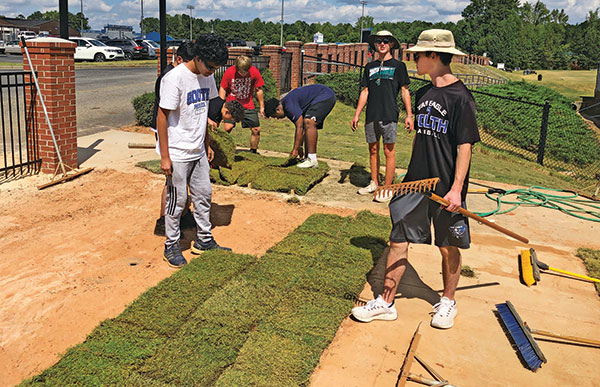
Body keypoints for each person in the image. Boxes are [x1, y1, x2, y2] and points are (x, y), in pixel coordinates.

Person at [351, 29, 480, 329]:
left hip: (447, 187)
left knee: (448, 246)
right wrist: (403, 183)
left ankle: (447, 301)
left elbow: (465, 147)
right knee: (398, 237)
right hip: (415, 183)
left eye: (419, 54)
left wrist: (457, 190)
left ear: (434, 56)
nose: (415, 59)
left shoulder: (461, 98)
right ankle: (386, 302)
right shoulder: (423, 94)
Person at [156, 34, 232, 268]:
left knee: (203, 195)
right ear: (197, 58)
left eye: (216, 69)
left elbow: (204, 115)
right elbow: (162, 117)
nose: (212, 72)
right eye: (210, 66)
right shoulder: (175, 78)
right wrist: (165, 156)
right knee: (176, 201)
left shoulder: (206, 77)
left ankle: (204, 240)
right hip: (177, 152)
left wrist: (207, 144)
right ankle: (171, 245)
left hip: (198, 150)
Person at [351, 30, 413, 203]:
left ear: (391, 44)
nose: (382, 44)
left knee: (389, 151)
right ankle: (374, 182)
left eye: (386, 41)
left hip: (389, 114)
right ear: (375, 45)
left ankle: (387, 187)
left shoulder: (399, 66)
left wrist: (409, 115)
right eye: (379, 41)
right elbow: (365, 91)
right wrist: (357, 114)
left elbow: (405, 91)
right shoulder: (369, 67)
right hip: (372, 114)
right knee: (372, 150)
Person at [153, 41, 196, 236]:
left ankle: (183, 214)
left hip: (179, 135)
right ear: (180, 60)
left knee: (183, 181)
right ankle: (163, 220)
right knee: (171, 182)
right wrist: (165, 154)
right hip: (168, 134)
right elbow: (163, 115)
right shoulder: (169, 77)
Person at [264, 84, 336, 168]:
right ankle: (307, 158)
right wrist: (300, 147)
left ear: (278, 109)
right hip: (320, 97)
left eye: (275, 116)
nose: (277, 119)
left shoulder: (288, 105)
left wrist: (295, 149)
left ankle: (312, 160)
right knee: (307, 124)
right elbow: (301, 128)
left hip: (325, 95)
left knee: (309, 122)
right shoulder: (286, 106)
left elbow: (299, 127)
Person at [219, 55, 265, 153]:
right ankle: (224, 150)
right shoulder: (229, 72)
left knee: (256, 129)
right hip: (232, 104)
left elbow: (259, 89)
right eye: (241, 72)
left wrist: (261, 107)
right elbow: (223, 88)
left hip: (247, 104)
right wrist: (221, 105)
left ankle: (253, 151)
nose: (244, 74)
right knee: (227, 128)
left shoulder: (254, 72)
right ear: (236, 68)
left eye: (246, 71)